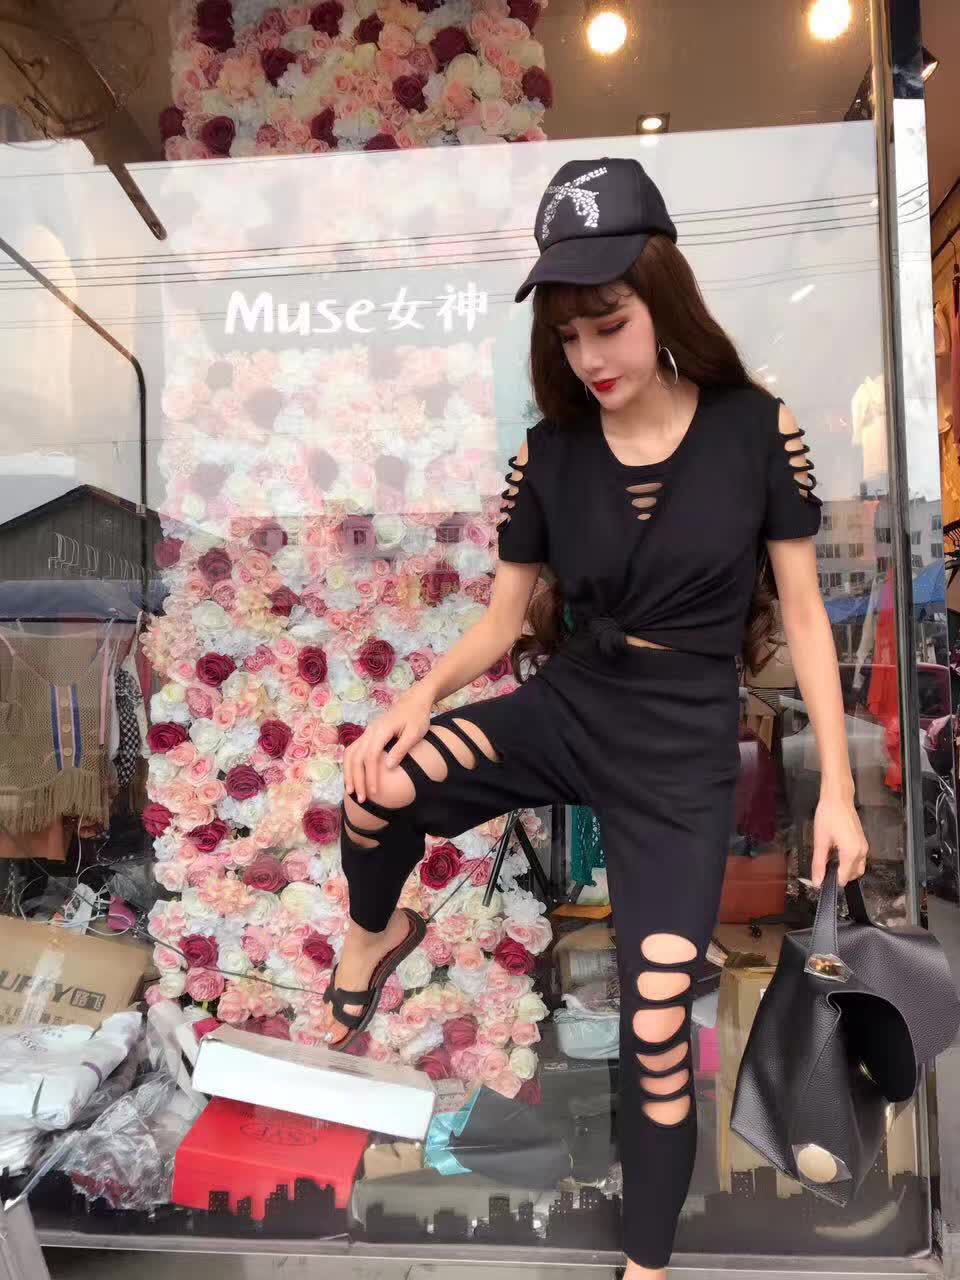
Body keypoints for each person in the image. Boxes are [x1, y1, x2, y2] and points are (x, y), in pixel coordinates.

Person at [323, 157, 870, 1278]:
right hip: (572, 705)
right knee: (379, 785)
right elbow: (502, 620)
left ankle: (647, 1264)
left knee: (656, 1021)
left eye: (608, 325)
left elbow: (808, 617)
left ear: (661, 301)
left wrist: (842, 792)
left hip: (681, 746)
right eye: (568, 335)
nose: (589, 357)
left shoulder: (756, 429)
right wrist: (416, 696)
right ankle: (377, 929)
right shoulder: (551, 453)